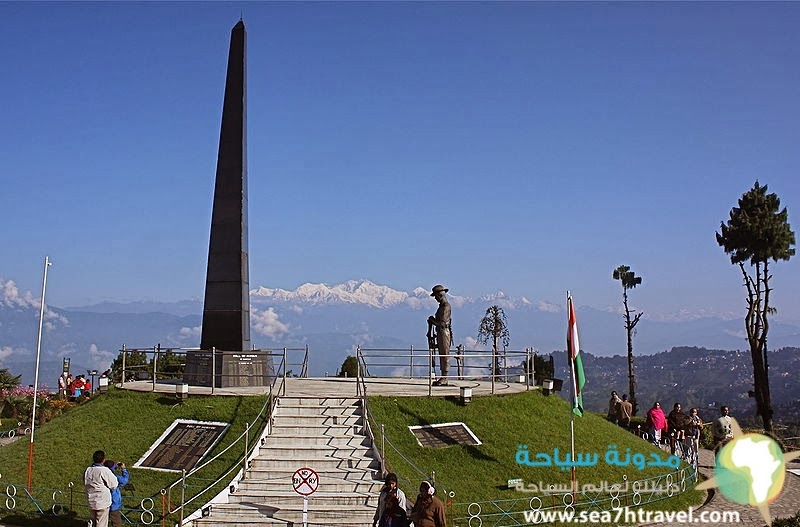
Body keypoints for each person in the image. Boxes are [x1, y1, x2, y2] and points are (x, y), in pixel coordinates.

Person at [84, 450, 119, 527]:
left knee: (92, 522)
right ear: (103, 460)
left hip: (91, 500)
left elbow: (85, 481)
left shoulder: (88, 470)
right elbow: (114, 484)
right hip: (102, 501)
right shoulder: (104, 470)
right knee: (101, 523)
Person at [427, 285, 452, 387]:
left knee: (444, 353)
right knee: (442, 353)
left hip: (444, 332)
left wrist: (432, 320)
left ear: (440, 295)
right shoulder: (441, 307)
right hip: (440, 332)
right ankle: (443, 376)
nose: (436, 298)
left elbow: (442, 323)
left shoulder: (446, 307)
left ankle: (445, 377)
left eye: (436, 296)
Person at [103, 460, 130, 527]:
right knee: (117, 524)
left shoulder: (101, 475)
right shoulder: (114, 477)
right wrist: (123, 469)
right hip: (113, 505)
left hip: (102, 503)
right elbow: (124, 480)